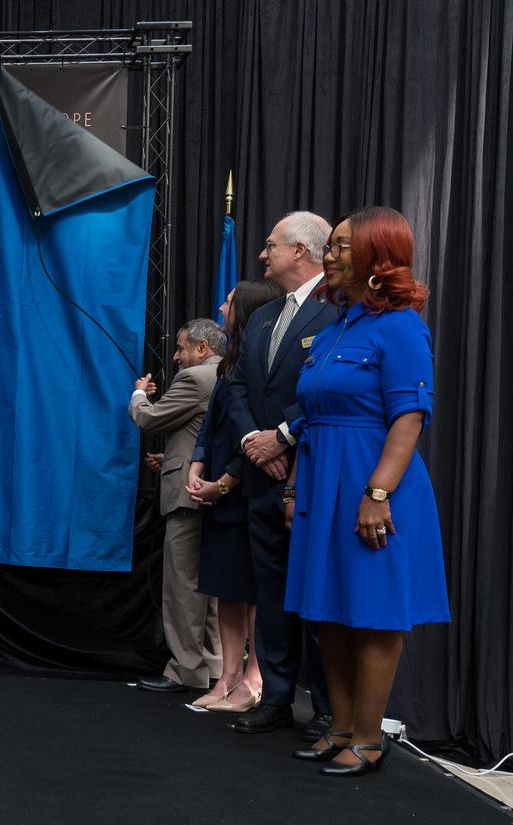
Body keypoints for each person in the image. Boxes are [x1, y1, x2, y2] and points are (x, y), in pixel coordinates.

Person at [285, 207, 449, 776]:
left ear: (378, 257)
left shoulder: (401, 327)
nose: (328, 255)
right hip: (322, 485)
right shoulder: (336, 328)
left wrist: (377, 494)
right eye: (329, 245)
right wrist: (295, 491)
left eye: (340, 246)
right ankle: (340, 727)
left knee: (374, 613)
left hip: (374, 488)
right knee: (328, 611)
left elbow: (409, 417)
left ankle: (369, 738)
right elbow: (312, 418)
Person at [224, 211, 338, 738]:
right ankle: (275, 699)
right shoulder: (265, 315)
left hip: (310, 474)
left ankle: (328, 710)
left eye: (271, 245)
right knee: (270, 596)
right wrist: (255, 440)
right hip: (260, 477)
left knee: (316, 595)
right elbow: (239, 386)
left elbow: (330, 389)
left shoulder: (337, 312)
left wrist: (283, 438)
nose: (262, 254)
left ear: (300, 251)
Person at [185, 279, 284, 712]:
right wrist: (197, 464)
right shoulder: (229, 363)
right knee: (226, 588)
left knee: (254, 591)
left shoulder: (264, 365)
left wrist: (225, 482)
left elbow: (258, 436)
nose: (221, 308)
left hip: (248, 492)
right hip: (220, 496)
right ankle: (227, 676)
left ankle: (254, 678)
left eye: (228, 302)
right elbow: (212, 424)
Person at [128, 318, 226, 693]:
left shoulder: (195, 378)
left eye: (181, 347)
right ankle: (215, 667)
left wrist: (139, 394)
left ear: (202, 348)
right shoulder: (227, 374)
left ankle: (186, 669)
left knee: (183, 587)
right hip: (215, 489)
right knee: (210, 587)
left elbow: (148, 418)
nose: (175, 356)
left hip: (188, 495)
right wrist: (170, 457)